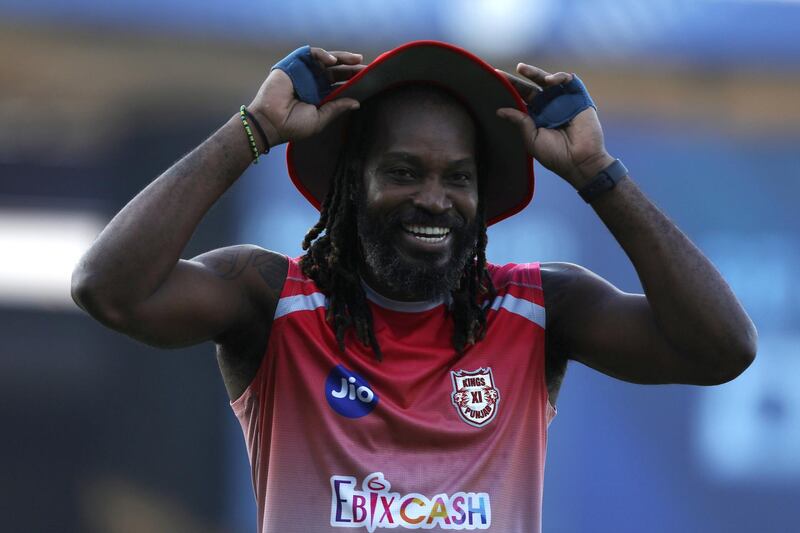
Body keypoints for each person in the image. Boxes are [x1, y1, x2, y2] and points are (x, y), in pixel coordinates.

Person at [71, 42, 757, 532]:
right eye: (403, 171)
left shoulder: (539, 306)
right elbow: (110, 288)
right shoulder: (272, 300)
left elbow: (722, 347)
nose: (434, 198)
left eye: (457, 177)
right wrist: (251, 131)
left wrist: (597, 172)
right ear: (351, 182)